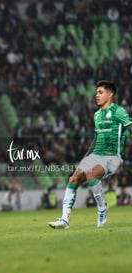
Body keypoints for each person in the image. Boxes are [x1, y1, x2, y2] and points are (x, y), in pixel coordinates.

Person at [49, 80, 132, 229]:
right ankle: (64, 220)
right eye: (96, 92)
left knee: (92, 175)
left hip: (112, 155)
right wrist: (86, 157)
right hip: (95, 154)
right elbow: (96, 138)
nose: (97, 95)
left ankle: (102, 208)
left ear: (110, 94)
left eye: (100, 92)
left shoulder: (119, 111)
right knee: (73, 179)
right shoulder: (97, 115)